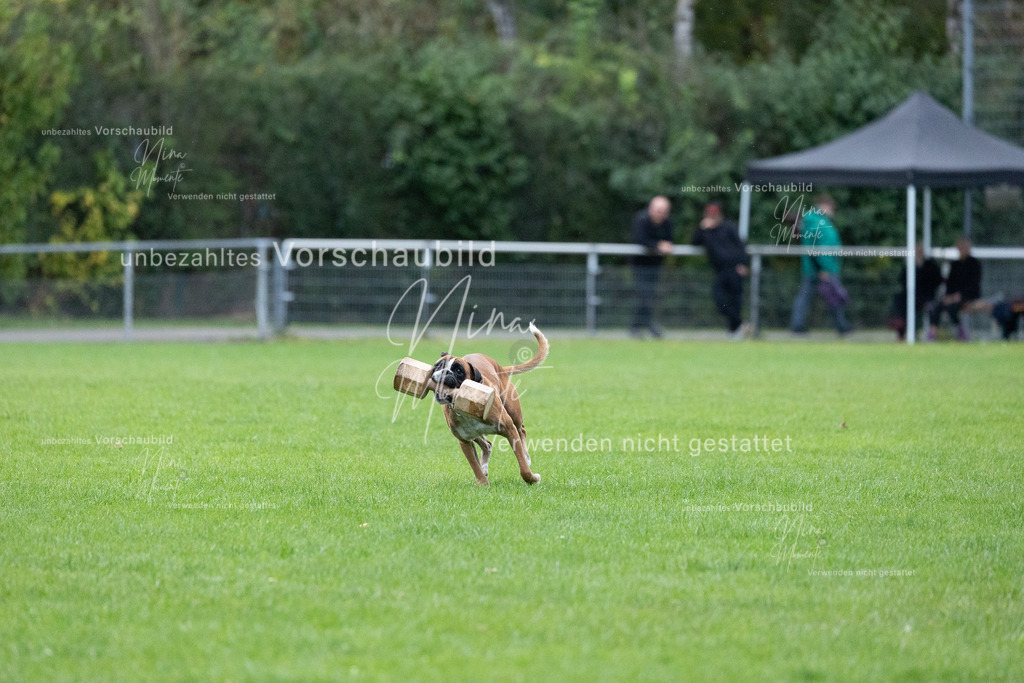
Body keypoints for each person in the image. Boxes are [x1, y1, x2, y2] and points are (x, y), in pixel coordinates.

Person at [789, 194, 853, 336]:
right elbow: (819, 248)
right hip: (821, 268)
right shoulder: (818, 222)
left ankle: (841, 325)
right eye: (831, 208)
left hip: (819, 267)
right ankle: (840, 326)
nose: (832, 211)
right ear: (823, 206)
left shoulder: (814, 221)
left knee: (826, 296)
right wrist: (824, 268)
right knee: (831, 296)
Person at [692, 202, 750, 339]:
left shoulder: (729, 227)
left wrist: (743, 263)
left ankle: (734, 332)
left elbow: (741, 246)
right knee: (720, 300)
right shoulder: (705, 230)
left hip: (734, 269)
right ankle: (741, 324)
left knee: (735, 302)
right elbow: (694, 242)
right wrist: (703, 228)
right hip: (720, 271)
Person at [630, 196, 674, 338]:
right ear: (651, 209)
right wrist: (658, 245)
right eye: (658, 211)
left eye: (663, 211)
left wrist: (665, 245)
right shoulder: (641, 219)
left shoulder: (667, 223)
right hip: (639, 264)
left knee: (649, 295)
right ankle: (641, 326)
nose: (660, 214)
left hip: (655, 264)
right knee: (644, 295)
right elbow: (640, 239)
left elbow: (670, 240)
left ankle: (640, 326)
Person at [928, 237, 982, 341]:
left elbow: (974, 284)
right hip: (953, 296)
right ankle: (933, 333)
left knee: (953, 307)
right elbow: (950, 283)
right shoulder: (955, 264)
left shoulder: (974, 264)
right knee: (937, 305)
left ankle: (960, 331)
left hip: (968, 296)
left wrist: (959, 295)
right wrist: (948, 296)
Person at [889, 243, 943, 341]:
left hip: (926, 296)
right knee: (899, 299)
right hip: (911, 296)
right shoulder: (909, 266)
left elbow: (937, 281)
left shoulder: (930, 265)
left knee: (932, 306)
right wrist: (909, 266)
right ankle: (901, 331)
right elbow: (902, 281)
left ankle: (931, 333)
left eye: (918, 251)